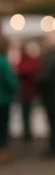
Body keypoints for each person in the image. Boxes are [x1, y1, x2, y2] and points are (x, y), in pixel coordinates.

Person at [16, 42, 41, 143]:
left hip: (30, 92)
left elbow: (26, 71)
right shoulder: (25, 60)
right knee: (25, 114)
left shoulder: (33, 61)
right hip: (25, 92)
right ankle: (26, 132)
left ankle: (28, 133)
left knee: (28, 113)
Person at [0, 35, 18, 164]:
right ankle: (3, 152)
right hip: (3, 99)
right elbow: (11, 82)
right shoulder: (3, 61)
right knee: (3, 127)